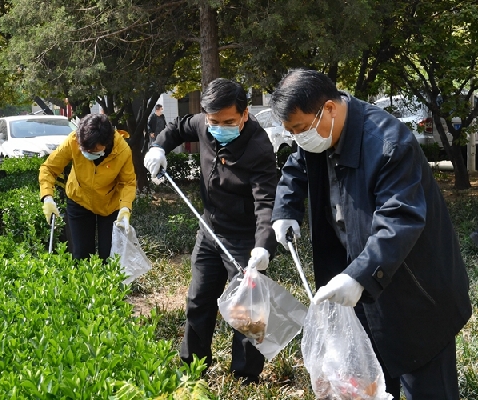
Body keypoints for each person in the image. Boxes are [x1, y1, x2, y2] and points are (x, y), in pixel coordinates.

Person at [270, 68, 471, 399]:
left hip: (415, 294)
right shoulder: (318, 134)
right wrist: (285, 210)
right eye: (292, 133)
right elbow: (297, 167)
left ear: (330, 109)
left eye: (301, 129)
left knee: (428, 386)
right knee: (370, 385)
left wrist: (360, 275)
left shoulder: (389, 144)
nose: (300, 139)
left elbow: (400, 218)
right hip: (358, 287)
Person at [143, 78, 278, 384]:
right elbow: (177, 128)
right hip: (209, 228)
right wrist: (158, 147)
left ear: (244, 114)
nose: (219, 127)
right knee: (198, 299)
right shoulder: (204, 123)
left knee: (247, 310)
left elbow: (266, 202)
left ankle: (246, 376)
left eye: (228, 121)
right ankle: (193, 366)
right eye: (214, 121)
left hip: (243, 237)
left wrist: (263, 246)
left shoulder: (258, 148)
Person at [39, 113, 136, 261]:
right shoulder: (74, 140)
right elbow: (49, 168)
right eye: (83, 148)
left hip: (109, 205)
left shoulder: (122, 151)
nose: (85, 153)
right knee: (81, 256)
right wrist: (47, 197)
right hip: (79, 199)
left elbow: (128, 182)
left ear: (106, 144)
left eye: (92, 151)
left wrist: (125, 207)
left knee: (110, 257)